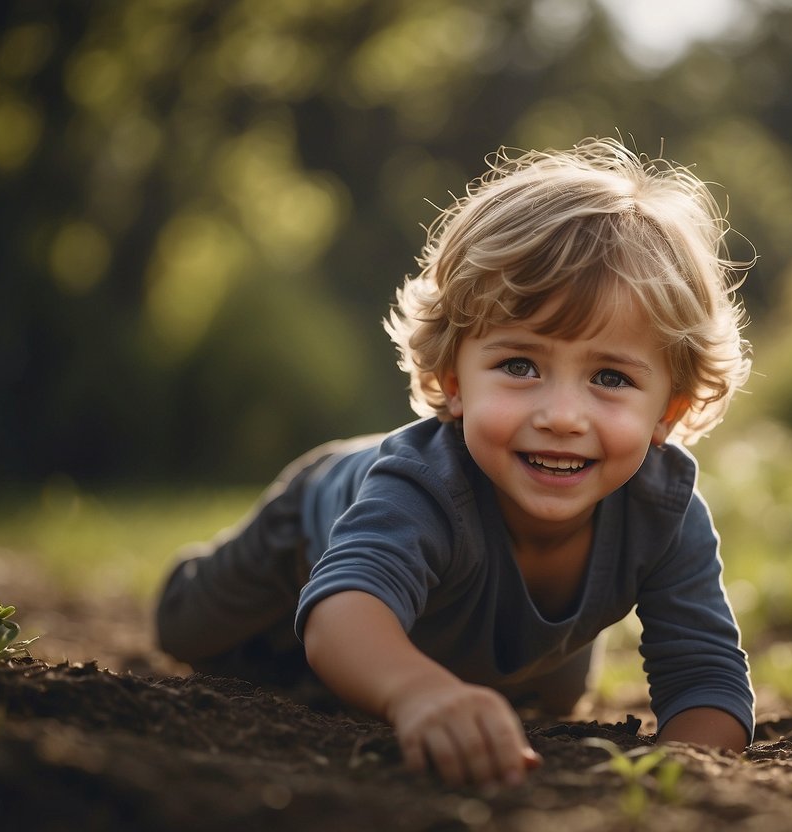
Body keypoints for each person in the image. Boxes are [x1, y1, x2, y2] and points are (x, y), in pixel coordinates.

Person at [155, 137, 756, 789]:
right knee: (193, 634)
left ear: (668, 408)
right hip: (314, 521)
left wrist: (679, 772)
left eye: (610, 377)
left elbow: (706, 676)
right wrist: (416, 693)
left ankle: (473, 653)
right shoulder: (422, 484)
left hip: (496, 629)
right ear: (453, 379)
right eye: (519, 366)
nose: (561, 415)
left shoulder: (662, 511)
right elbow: (343, 616)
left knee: (553, 698)